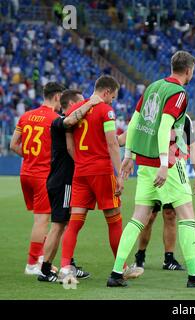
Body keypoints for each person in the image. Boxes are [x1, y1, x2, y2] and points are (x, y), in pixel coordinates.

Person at [107, 51, 195, 289]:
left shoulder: (152, 87)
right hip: (167, 164)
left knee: (138, 218)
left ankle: (116, 273)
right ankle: (194, 277)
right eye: (193, 71)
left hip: (144, 165)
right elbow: (165, 126)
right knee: (187, 216)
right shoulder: (178, 93)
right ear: (188, 70)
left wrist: (129, 155)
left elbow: (135, 121)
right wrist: (165, 164)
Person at [58, 75, 124, 283]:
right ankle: (121, 267)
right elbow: (112, 144)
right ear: (106, 92)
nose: (112, 101)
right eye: (112, 97)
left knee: (75, 222)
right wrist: (120, 173)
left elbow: (70, 146)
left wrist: (82, 163)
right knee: (114, 219)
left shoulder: (76, 110)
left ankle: (65, 268)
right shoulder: (106, 110)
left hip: (80, 171)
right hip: (102, 171)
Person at [124, 114, 195, 277]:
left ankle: (169, 258)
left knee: (170, 214)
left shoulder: (185, 119)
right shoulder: (150, 116)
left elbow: (193, 147)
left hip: (173, 170)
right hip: (152, 169)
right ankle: (140, 255)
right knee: (148, 217)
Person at [38, 90, 103, 282]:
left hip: (65, 180)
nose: (84, 105)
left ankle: (69, 265)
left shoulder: (72, 124)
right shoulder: (60, 121)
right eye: (80, 102)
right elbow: (69, 121)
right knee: (58, 225)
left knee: (68, 225)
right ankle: (45, 269)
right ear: (72, 103)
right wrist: (90, 103)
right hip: (63, 181)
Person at [10, 82, 64, 276]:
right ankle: (32, 263)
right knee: (42, 219)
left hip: (26, 173)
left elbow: (13, 145)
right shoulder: (55, 119)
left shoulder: (26, 116)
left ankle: (39, 257)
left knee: (39, 218)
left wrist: (30, 157)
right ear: (57, 96)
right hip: (42, 175)